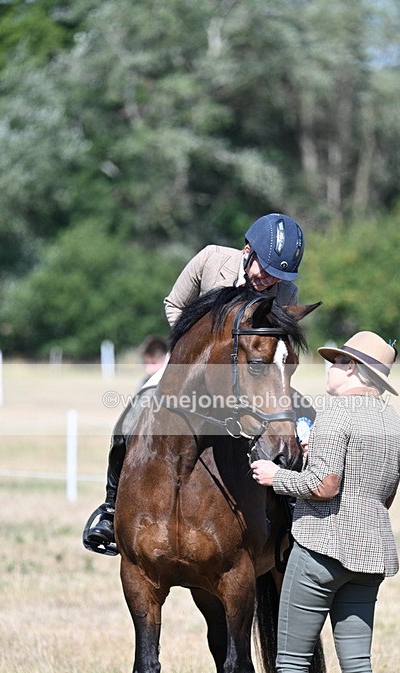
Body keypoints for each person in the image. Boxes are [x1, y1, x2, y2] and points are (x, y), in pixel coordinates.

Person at [83, 213, 307, 555]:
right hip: (192, 364)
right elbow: (174, 304)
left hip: (252, 371)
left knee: (296, 418)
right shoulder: (211, 260)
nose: (269, 280)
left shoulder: (285, 290)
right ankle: (111, 507)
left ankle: (287, 515)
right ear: (248, 250)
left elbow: (276, 340)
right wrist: (194, 349)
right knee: (132, 412)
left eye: (279, 275)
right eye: (266, 269)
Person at [251, 332, 400, 673]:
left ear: (357, 369)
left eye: (337, 362)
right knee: (358, 667)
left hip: (321, 548)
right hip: (371, 553)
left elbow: (324, 486)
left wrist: (277, 476)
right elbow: (387, 496)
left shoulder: (335, 412)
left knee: (291, 663)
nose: (329, 369)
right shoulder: (395, 424)